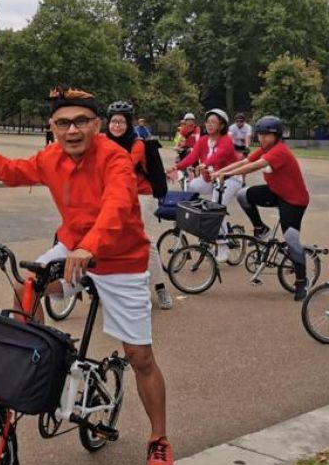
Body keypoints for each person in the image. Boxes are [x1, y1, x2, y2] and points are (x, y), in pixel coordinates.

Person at [0, 87, 176, 465]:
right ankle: (45, 357)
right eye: (63, 123)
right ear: (53, 127)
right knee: (24, 286)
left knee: (139, 356)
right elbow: (8, 171)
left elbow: (117, 206)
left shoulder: (115, 158)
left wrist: (89, 247)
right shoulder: (51, 158)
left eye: (81, 121)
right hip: (74, 247)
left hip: (120, 259)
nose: (72, 130)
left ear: (97, 125)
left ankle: (159, 439)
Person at [213, 115, 312, 300]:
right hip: (276, 192)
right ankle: (260, 228)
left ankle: (301, 282)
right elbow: (245, 162)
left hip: (294, 200)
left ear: (277, 136)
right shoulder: (265, 149)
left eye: (268, 135)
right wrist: (220, 172)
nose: (263, 138)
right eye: (260, 135)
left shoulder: (279, 151)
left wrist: (227, 175)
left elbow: (253, 167)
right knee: (243, 194)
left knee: (291, 238)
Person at [105, 101, 173, 310]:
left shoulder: (138, 144)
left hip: (141, 195)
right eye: (113, 121)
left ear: (129, 123)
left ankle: (160, 288)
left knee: (143, 240)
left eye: (121, 122)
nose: (116, 126)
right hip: (117, 194)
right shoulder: (104, 141)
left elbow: (122, 165)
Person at [169, 108, 242, 264]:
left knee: (216, 205)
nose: (209, 125)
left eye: (213, 122)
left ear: (222, 125)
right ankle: (205, 226)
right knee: (192, 187)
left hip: (230, 178)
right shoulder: (203, 140)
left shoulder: (227, 140)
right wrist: (176, 167)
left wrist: (205, 164)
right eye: (207, 121)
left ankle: (223, 245)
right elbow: (192, 157)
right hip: (211, 179)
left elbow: (219, 155)